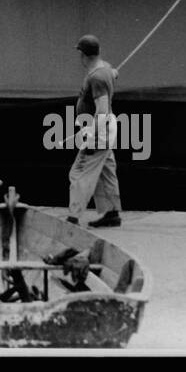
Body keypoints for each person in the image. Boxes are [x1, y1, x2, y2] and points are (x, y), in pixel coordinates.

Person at [65, 34, 122, 229]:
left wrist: (90, 137)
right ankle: (112, 213)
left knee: (79, 172)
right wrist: (113, 74)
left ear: (83, 54)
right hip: (107, 128)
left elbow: (102, 110)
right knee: (106, 171)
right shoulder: (105, 68)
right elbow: (111, 74)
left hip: (98, 130)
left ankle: (73, 218)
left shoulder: (97, 77)